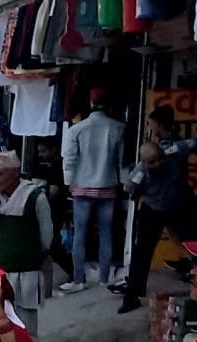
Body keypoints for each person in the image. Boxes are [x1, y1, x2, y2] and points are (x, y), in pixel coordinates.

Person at [116, 108, 197, 311]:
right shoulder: (139, 173)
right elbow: (129, 190)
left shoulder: (174, 151)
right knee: (141, 252)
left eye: (158, 160)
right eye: (151, 163)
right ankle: (132, 296)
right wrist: (142, 198)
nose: (156, 165)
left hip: (178, 205)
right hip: (153, 209)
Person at [61, 94, 128, 290]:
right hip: (107, 186)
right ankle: (104, 279)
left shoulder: (76, 130)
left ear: (90, 104)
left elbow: (70, 160)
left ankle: (79, 279)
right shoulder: (118, 128)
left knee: (80, 233)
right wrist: (123, 183)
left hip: (81, 187)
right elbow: (121, 160)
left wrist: (69, 183)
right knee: (105, 233)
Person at [0, 153, 54, 332]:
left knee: (26, 328)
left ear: (15, 173)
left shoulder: (35, 198)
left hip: (27, 273)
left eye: (1, 174)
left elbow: (46, 234)